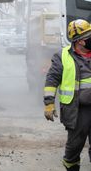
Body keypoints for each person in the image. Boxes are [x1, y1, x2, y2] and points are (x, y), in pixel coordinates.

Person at [44, 19, 91, 171]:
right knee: (74, 147)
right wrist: (49, 103)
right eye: (88, 36)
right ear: (80, 41)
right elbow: (52, 80)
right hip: (77, 110)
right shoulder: (62, 56)